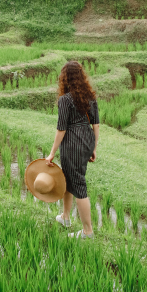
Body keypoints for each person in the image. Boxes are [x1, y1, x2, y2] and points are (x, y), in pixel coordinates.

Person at [46, 61, 100, 239]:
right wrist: (93, 147)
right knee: (68, 179)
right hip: (86, 139)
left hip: (73, 142)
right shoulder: (90, 97)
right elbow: (96, 124)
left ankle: (87, 231)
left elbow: (62, 128)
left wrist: (52, 152)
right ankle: (66, 217)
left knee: (78, 184)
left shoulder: (65, 100)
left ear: (65, 78)